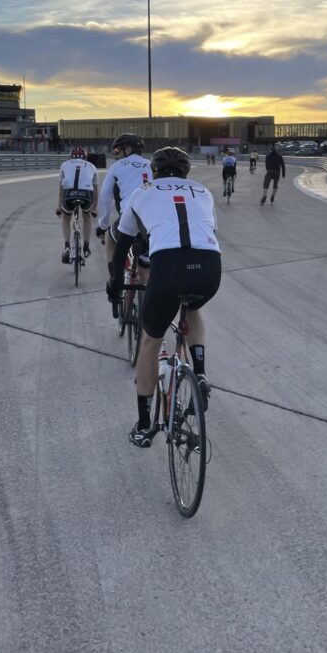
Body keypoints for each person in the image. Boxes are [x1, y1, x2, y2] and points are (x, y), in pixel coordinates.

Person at [106, 147, 221, 448]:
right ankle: (200, 373)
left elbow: (123, 246)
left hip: (168, 266)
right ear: (186, 173)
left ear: (153, 171)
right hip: (209, 266)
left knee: (151, 340)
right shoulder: (203, 192)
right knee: (193, 306)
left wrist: (116, 283)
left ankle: (144, 427)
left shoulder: (142, 191)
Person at [96, 134, 153, 311]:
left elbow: (105, 198)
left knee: (110, 238)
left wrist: (102, 225)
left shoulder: (118, 166)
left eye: (116, 150)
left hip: (130, 218)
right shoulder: (152, 164)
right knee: (145, 264)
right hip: (151, 222)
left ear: (127, 149)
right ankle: (149, 304)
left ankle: (116, 285)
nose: (115, 154)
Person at [56, 146, 97, 262]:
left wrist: (59, 207)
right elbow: (96, 193)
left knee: (66, 218)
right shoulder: (92, 166)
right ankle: (86, 247)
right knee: (87, 216)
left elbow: (61, 191)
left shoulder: (64, 165)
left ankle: (67, 246)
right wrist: (95, 208)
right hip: (86, 195)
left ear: (71, 157)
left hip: (69, 194)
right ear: (85, 157)